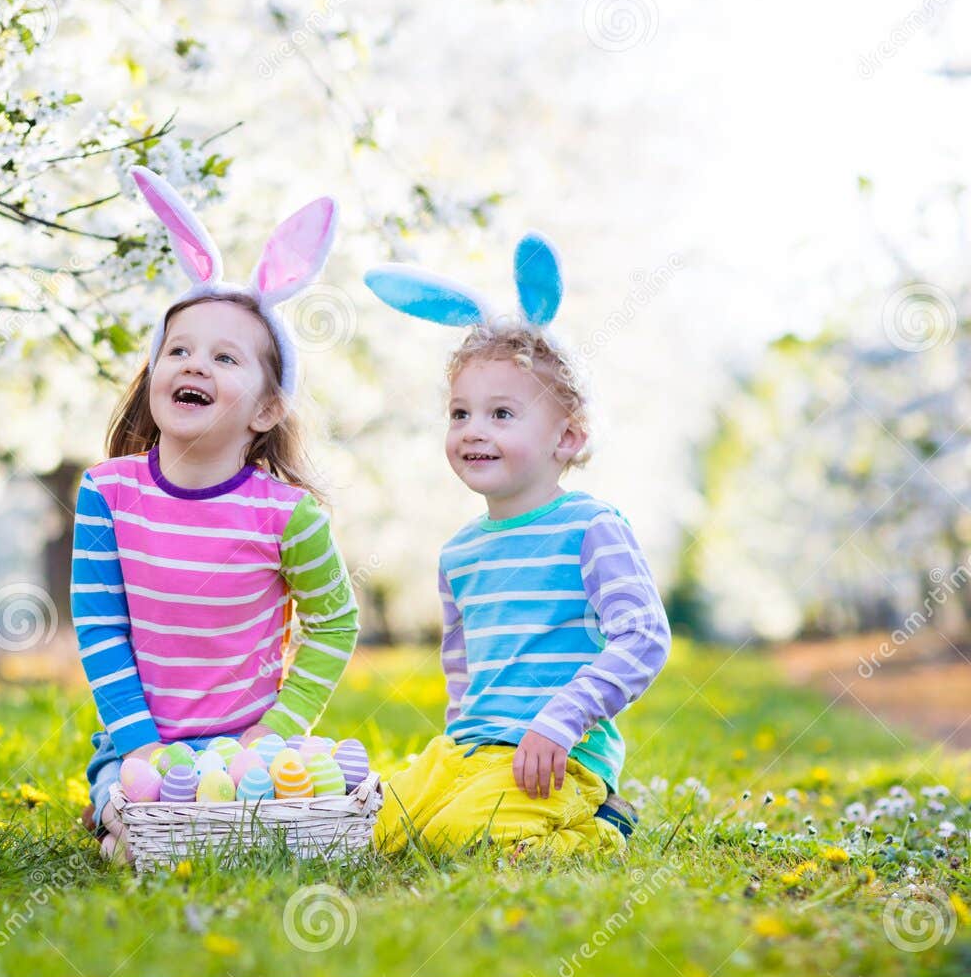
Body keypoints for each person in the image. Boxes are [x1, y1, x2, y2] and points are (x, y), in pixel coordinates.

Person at [74, 167, 360, 863]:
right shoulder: (107, 495)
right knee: (132, 809)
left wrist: (278, 728)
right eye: (178, 350)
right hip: (141, 740)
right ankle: (124, 813)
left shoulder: (288, 518)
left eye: (224, 357)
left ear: (266, 409)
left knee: (289, 800)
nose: (193, 364)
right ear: (155, 374)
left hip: (246, 748)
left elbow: (336, 622)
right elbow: (101, 625)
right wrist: (139, 739)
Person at [362, 235, 670, 855]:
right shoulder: (461, 553)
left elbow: (644, 637)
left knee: (461, 837)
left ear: (568, 437)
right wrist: (455, 747)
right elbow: (462, 668)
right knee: (381, 829)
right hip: (473, 750)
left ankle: (600, 826)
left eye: (502, 414)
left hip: (558, 752)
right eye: (460, 414)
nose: (474, 430)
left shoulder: (591, 526)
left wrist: (564, 718)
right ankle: (468, 804)